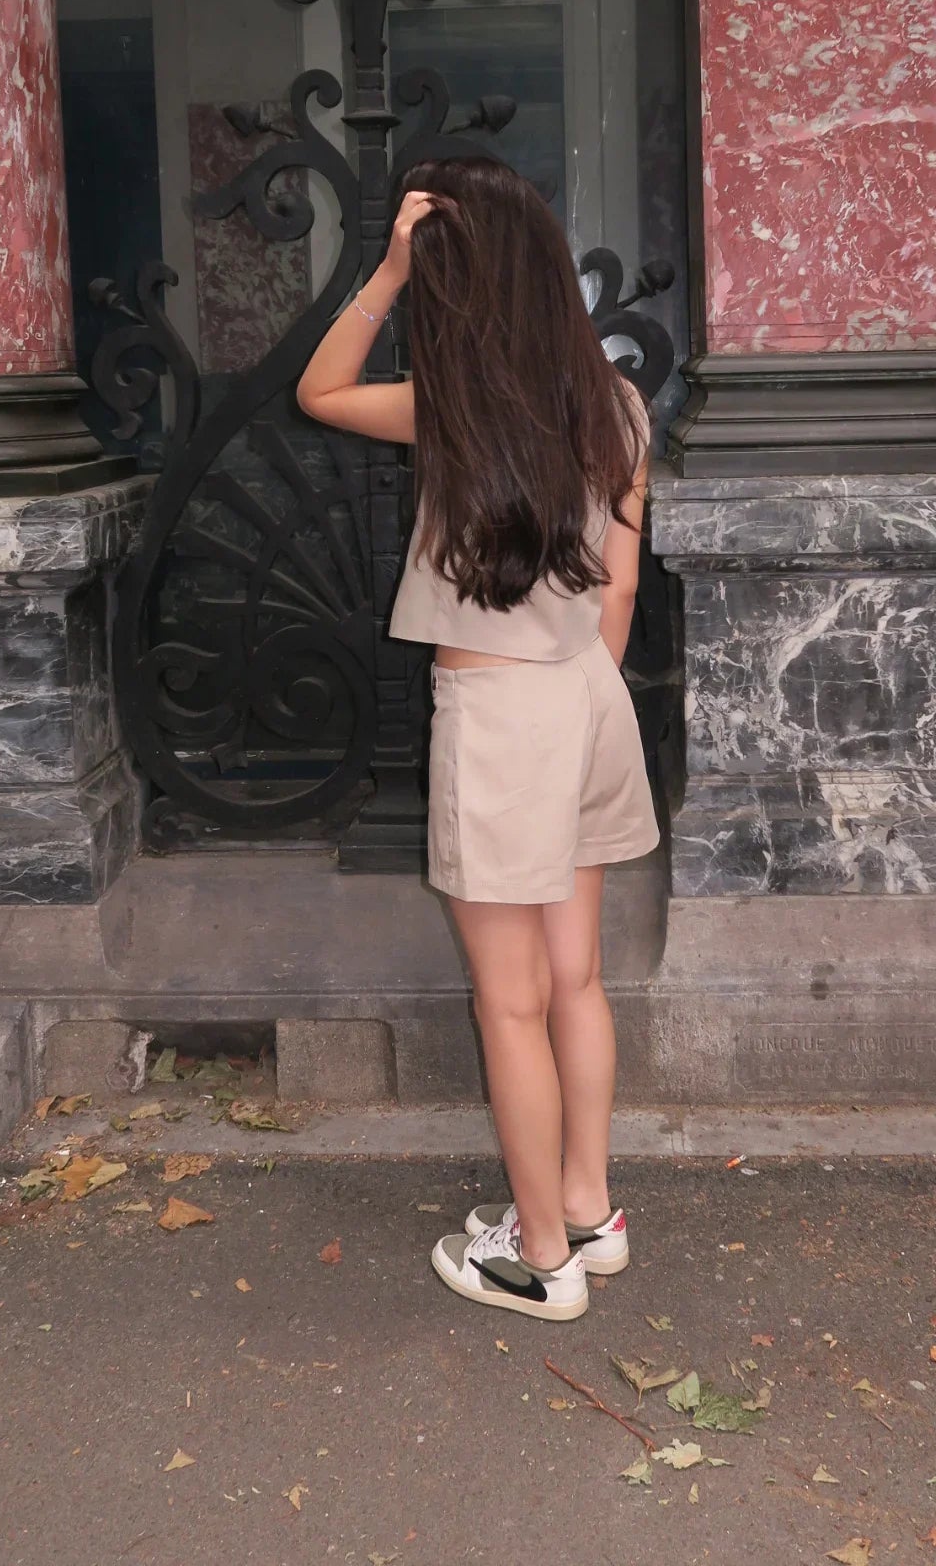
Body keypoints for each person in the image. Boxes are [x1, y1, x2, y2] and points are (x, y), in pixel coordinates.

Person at [296, 156, 659, 1323]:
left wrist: (390, 272)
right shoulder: (613, 399)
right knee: (576, 979)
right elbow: (621, 582)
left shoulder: (456, 405)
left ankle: (539, 1256)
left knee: (510, 1001)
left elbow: (318, 388)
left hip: (504, 720)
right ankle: (589, 1209)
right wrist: (585, 685)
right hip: (591, 694)